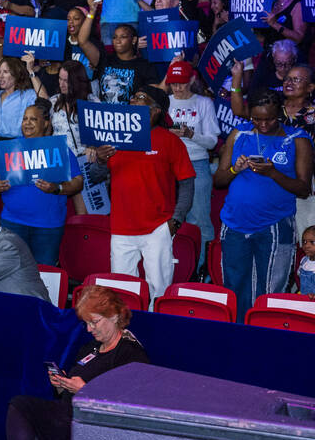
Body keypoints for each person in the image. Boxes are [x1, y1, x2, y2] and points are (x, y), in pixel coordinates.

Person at [5, 285, 149, 440]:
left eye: (94, 322)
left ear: (114, 317)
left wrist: (86, 390)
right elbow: (69, 390)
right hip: (67, 418)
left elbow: (130, 407)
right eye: (87, 323)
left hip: (94, 430)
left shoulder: (130, 354)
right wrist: (61, 385)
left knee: (21, 408)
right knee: (26, 431)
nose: (89, 329)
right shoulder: (90, 348)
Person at [213, 90, 312, 320]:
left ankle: (267, 340)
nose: (263, 124)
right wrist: (234, 170)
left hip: (275, 224)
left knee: (270, 290)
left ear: (280, 113)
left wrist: (273, 173)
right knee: (235, 286)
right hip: (235, 222)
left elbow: (304, 189)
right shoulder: (239, 134)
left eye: (269, 118)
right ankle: (238, 339)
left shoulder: (297, 139)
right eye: (257, 119)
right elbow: (218, 181)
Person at [90, 86, 195, 304]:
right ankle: (126, 335)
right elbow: (96, 176)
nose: (132, 100)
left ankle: (156, 333)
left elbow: (187, 182)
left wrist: (176, 219)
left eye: (140, 98)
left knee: (159, 291)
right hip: (121, 227)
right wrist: (100, 160)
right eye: (133, 97)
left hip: (157, 227)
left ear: (155, 110)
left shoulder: (170, 141)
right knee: (120, 292)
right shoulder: (114, 137)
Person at [0, 101, 84, 264]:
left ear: (45, 123)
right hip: (12, 223)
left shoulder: (59, 148)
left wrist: (57, 188)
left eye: (33, 119)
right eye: (24, 119)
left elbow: (78, 182)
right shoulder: (11, 148)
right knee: (11, 274)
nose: (27, 123)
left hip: (48, 227)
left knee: (44, 277)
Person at [164, 61, 220, 265]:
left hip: (196, 162)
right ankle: (175, 265)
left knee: (199, 218)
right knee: (167, 217)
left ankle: (202, 268)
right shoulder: (165, 102)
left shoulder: (204, 103)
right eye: (173, 83)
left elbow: (212, 141)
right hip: (168, 164)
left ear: (192, 80)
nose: (177, 88)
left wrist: (190, 134)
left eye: (181, 83)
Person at [298, 225, 315, 297]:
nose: (307, 245)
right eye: (304, 242)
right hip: (304, 298)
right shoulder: (304, 261)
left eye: (312, 242)